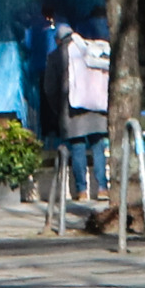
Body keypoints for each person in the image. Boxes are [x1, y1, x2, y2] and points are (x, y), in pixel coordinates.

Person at [42, 23, 112, 202]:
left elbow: (50, 88)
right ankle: (103, 188)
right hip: (95, 107)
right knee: (98, 146)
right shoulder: (88, 48)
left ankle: (81, 191)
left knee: (78, 148)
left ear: (58, 40)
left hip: (72, 109)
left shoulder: (56, 56)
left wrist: (57, 109)